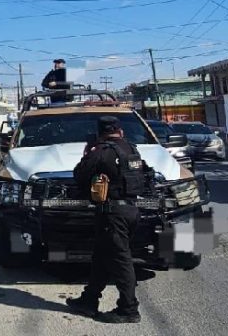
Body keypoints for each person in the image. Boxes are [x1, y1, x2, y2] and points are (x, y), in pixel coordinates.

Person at [66, 116, 145, 324]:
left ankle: (128, 309)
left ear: (100, 133)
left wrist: (87, 154)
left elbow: (80, 175)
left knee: (121, 260)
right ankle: (88, 300)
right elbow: (144, 174)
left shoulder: (101, 151)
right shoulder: (131, 149)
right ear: (120, 131)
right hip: (131, 210)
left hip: (113, 214)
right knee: (101, 257)